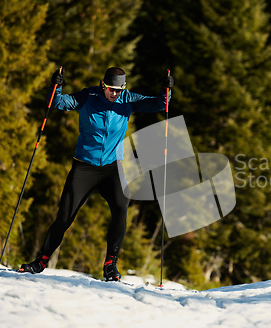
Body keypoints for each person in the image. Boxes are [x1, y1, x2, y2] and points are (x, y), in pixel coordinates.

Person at [18, 67, 173, 281]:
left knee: (121, 207)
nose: (115, 94)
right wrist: (57, 85)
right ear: (103, 84)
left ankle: (111, 264)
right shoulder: (88, 96)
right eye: (111, 89)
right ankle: (41, 261)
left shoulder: (128, 99)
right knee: (64, 216)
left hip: (112, 167)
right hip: (84, 166)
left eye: (118, 90)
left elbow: (159, 104)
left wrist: (166, 90)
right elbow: (57, 102)